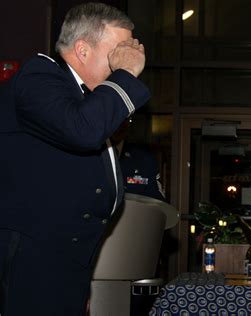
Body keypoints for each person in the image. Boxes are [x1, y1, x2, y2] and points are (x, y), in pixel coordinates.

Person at [0, 3, 150, 315]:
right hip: (30, 262)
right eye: (118, 51)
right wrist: (123, 74)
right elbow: (83, 131)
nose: (127, 59)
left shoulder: (85, 97)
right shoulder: (39, 76)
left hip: (67, 265)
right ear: (82, 50)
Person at [111, 118, 166, 201]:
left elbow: (158, 203)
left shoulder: (145, 160)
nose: (117, 126)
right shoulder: (89, 157)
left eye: (124, 120)